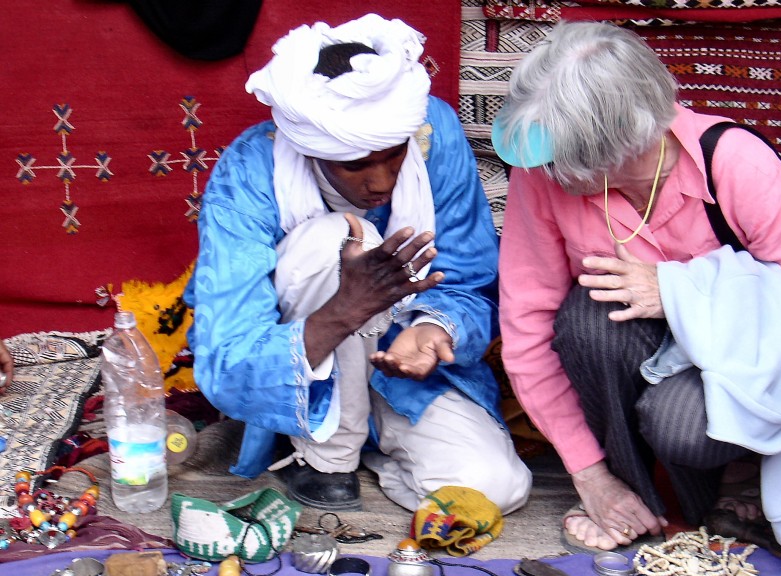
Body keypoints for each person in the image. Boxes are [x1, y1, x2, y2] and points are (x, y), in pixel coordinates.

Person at [493, 22, 781, 553]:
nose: (549, 173)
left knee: (678, 424)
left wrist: (679, 292)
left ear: (622, 141)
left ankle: (738, 481)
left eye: (565, 159)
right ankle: (628, 497)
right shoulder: (544, 171)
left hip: (752, 362)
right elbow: (527, 323)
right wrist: (588, 474)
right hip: (646, 354)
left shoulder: (732, 161)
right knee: (586, 318)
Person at [185, 15, 531, 516]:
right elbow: (225, 362)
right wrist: (348, 309)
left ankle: (378, 436)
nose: (381, 182)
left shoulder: (433, 133)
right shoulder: (249, 172)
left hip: (403, 371)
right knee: (344, 236)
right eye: (356, 164)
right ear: (312, 151)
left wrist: (435, 330)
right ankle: (325, 451)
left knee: (494, 490)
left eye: (393, 157)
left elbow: (472, 279)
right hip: (304, 353)